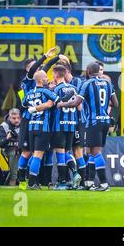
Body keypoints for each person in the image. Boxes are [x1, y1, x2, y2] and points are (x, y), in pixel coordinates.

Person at [58, 62, 119, 191]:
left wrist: (62, 104)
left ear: (88, 70)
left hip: (93, 122)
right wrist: (102, 107)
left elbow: (76, 102)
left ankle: (104, 184)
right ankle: (89, 182)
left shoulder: (87, 83)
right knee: (90, 152)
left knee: (95, 152)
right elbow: (116, 103)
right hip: (105, 121)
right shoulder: (108, 83)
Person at [16, 46, 57, 190]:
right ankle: (22, 180)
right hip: (29, 119)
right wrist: (45, 55)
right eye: (36, 66)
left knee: (38, 152)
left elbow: (44, 68)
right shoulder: (28, 79)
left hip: (38, 119)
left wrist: (57, 58)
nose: (40, 69)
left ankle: (34, 180)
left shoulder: (40, 79)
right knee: (27, 152)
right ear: (29, 69)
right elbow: (37, 69)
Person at [22, 71, 59, 190]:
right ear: (41, 80)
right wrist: (49, 103)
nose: (48, 79)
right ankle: (32, 183)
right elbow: (58, 101)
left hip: (31, 127)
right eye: (46, 77)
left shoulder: (28, 93)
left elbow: (24, 105)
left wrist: (36, 107)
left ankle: (31, 181)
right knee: (38, 156)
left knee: (34, 155)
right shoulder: (46, 91)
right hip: (43, 127)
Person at [50, 65, 81, 190]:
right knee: (67, 152)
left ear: (56, 75)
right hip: (72, 125)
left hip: (59, 125)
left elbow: (52, 105)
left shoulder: (56, 89)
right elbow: (79, 107)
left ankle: (62, 182)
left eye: (52, 74)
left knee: (60, 153)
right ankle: (74, 173)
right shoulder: (74, 88)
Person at [0, 108, 21, 186]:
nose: (16, 120)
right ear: (9, 118)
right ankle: (13, 180)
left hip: (22, 150)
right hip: (8, 149)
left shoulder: (24, 125)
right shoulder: (4, 126)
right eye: (14, 118)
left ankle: (32, 179)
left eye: (18, 118)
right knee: (14, 154)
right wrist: (7, 138)